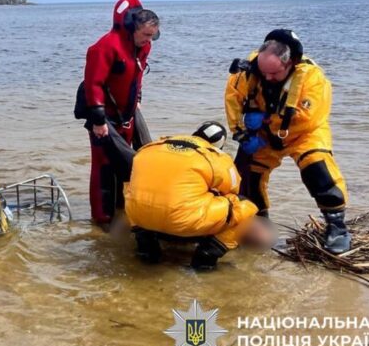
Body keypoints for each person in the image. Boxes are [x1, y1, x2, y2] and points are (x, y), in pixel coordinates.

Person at [225, 29, 351, 254]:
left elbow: (308, 118)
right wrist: (241, 131)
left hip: (303, 133)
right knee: (250, 177)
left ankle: (337, 226)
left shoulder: (312, 79)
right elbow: (233, 99)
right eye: (264, 73)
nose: (268, 78)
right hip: (263, 135)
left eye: (274, 73)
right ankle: (259, 221)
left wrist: (265, 119)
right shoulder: (250, 70)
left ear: (290, 63)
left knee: (318, 171)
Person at [124, 121, 267, 269]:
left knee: (133, 189)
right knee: (245, 206)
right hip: (181, 220)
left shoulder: (152, 147)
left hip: (138, 214)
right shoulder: (216, 156)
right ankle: (208, 254)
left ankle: (145, 245)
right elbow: (233, 189)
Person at [81, 0, 159, 225]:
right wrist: (97, 120)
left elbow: (137, 76)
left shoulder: (142, 47)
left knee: (128, 165)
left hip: (128, 115)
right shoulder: (104, 47)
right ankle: (102, 219)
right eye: (145, 35)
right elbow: (93, 84)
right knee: (104, 167)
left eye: (151, 36)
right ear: (131, 26)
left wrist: (138, 99)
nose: (148, 40)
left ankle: (122, 211)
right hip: (104, 117)